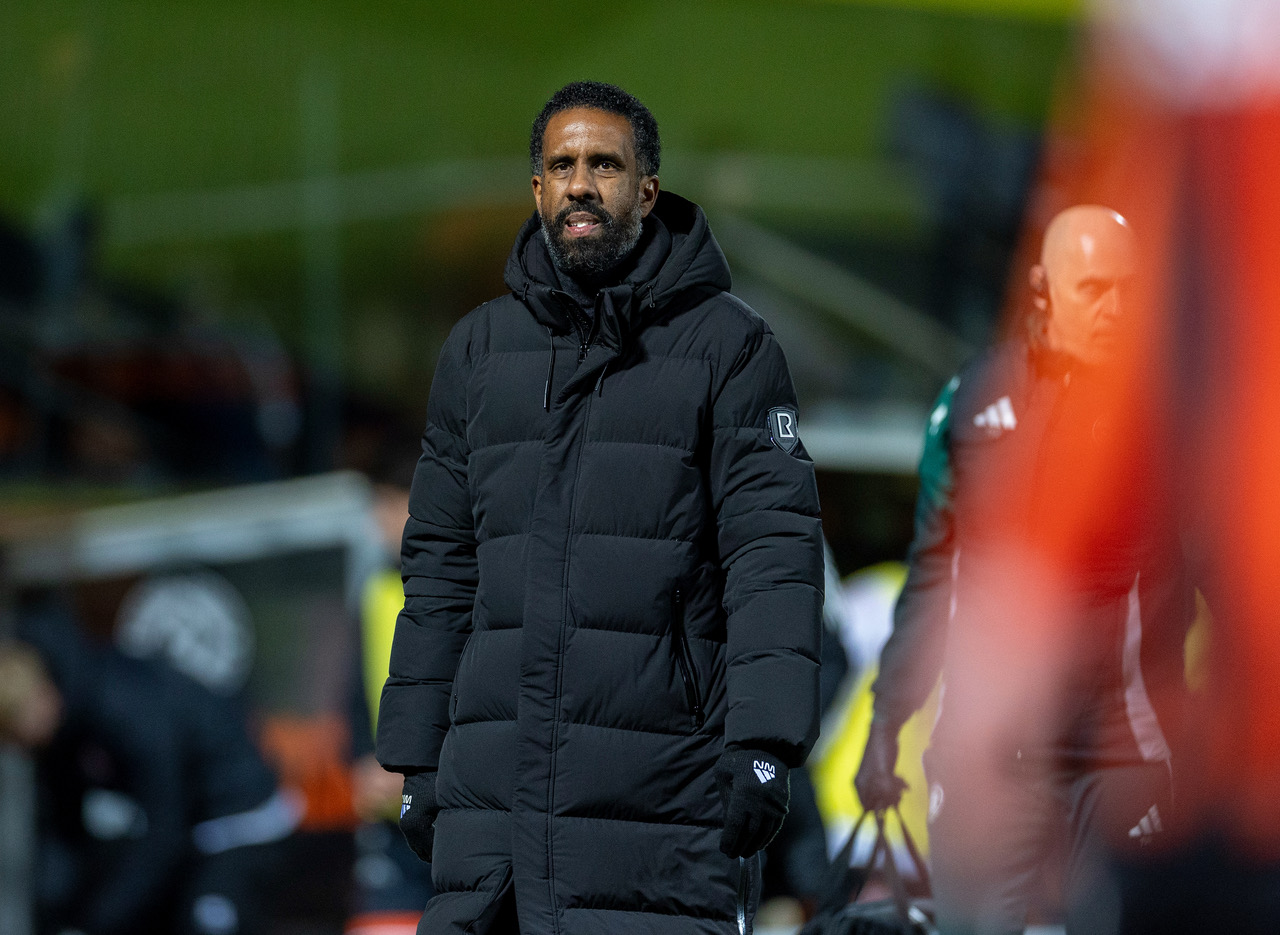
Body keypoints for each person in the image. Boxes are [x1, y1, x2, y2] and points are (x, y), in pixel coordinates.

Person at [375, 81, 825, 934]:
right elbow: (439, 565)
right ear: (537, 190)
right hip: (492, 819)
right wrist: (416, 755)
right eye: (562, 165)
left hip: (660, 813)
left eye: (604, 165)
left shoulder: (730, 348)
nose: (582, 184)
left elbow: (774, 554)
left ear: (646, 190)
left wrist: (765, 745)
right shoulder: (475, 353)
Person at [853, 205, 1194, 934]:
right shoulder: (974, 407)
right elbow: (933, 575)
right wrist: (888, 720)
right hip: (993, 760)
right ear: (1042, 288)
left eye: (1129, 289)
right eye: (1093, 288)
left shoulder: (1165, 412)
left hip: (1122, 754)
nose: (1115, 309)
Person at [2, 608, 296, 935]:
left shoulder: (121, 701)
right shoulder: (66, 730)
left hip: (240, 821)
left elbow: (165, 822)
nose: (23, 746)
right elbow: (69, 835)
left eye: (18, 732)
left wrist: (100, 919)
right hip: (189, 835)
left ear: (39, 697)